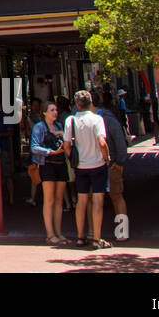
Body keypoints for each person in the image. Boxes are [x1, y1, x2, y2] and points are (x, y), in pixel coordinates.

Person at [64, 90, 112, 248]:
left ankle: (80, 236)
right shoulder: (97, 119)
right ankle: (96, 238)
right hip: (97, 164)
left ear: (77, 105)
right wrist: (106, 157)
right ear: (91, 102)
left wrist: (73, 159)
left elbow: (66, 146)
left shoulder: (70, 121)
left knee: (81, 200)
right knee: (98, 201)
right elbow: (102, 142)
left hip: (81, 165)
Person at [30, 102, 68, 243]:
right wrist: (50, 152)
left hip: (60, 163)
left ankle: (59, 232)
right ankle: (50, 234)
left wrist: (63, 136)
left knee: (59, 200)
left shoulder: (59, 126)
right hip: (47, 164)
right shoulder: (39, 127)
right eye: (51, 110)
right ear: (44, 112)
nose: (55, 112)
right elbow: (34, 147)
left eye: (56, 109)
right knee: (49, 199)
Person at [97, 88, 129, 224]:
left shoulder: (107, 119)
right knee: (101, 198)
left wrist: (120, 162)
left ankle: (122, 230)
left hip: (110, 164)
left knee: (116, 196)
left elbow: (119, 140)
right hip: (98, 165)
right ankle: (95, 233)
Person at [23, 97, 44, 206]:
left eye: (37, 105)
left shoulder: (44, 118)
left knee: (44, 172)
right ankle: (33, 197)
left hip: (44, 148)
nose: (35, 107)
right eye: (34, 105)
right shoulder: (29, 118)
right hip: (35, 148)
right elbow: (27, 132)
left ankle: (45, 195)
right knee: (34, 171)